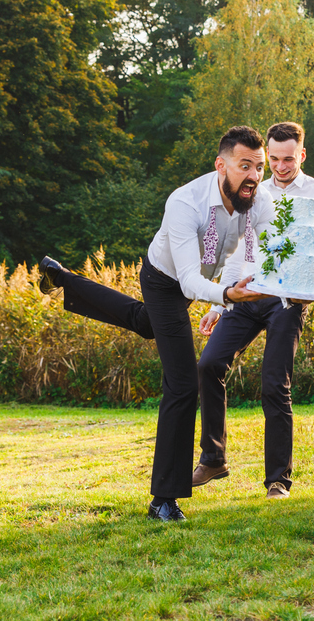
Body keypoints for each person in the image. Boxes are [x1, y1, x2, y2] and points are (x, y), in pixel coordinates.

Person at [38, 126, 274, 522]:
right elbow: (188, 281)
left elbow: (262, 255)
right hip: (165, 279)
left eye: (259, 168)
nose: (253, 176)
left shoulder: (258, 200)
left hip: (197, 281)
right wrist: (227, 297)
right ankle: (163, 499)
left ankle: (61, 278)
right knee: (183, 384)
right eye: (244, 166)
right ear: (222, 165)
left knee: (143, 322)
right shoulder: (185, 203)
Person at [193, 122, 314, 500]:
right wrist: (220, 301)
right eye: (273, 159)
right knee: (209, 364)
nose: (279, 166)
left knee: (274, 384)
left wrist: (310, 291)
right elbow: (236, 250)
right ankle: (213, 458)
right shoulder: (251, 190)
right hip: (247, 295)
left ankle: (278, 480)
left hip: (287, 302)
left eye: (287, 159)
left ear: (302, 155)